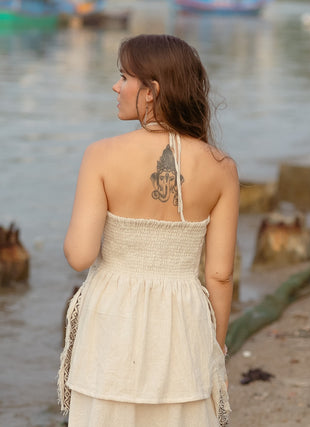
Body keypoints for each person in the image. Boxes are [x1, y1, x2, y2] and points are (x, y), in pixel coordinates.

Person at [58, 34, 239, 427]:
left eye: (124, 77)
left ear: (151, 91)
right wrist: (216, 346)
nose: (116, 86)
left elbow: (79, 256)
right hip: (183, 320)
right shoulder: (221, 167)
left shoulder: (101, 155)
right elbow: (220, 275)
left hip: (113, 318)